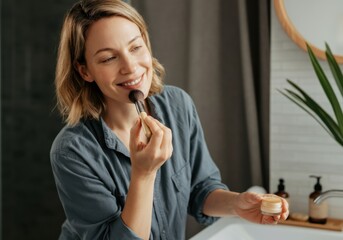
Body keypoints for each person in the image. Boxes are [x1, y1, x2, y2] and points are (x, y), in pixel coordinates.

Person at [50, 0, 289, 239]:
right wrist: (143, 175)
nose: (130, 67)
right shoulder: (71, 151)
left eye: (135, 48)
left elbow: (200, 190)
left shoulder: (178, 106)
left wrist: (237, 204)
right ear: (85, 71)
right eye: (108, 58)